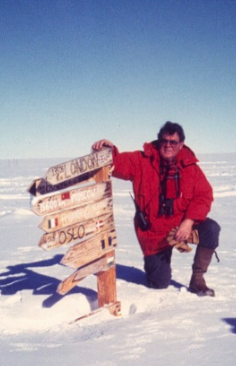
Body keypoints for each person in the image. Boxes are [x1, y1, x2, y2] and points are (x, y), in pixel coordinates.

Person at [92, 121, 221, 297]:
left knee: (211, 229)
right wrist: (107, 149)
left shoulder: (190, 167)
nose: (168, 146)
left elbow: (204, 195)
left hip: (181, 227)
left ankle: (197, 280)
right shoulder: (142, 161)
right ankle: (156, 266)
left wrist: (189, 221)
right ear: (159, 141)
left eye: (173, 142)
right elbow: (117, 164)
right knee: (159, 283)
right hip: (155, 234)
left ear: (181, 144)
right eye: (164, 141)